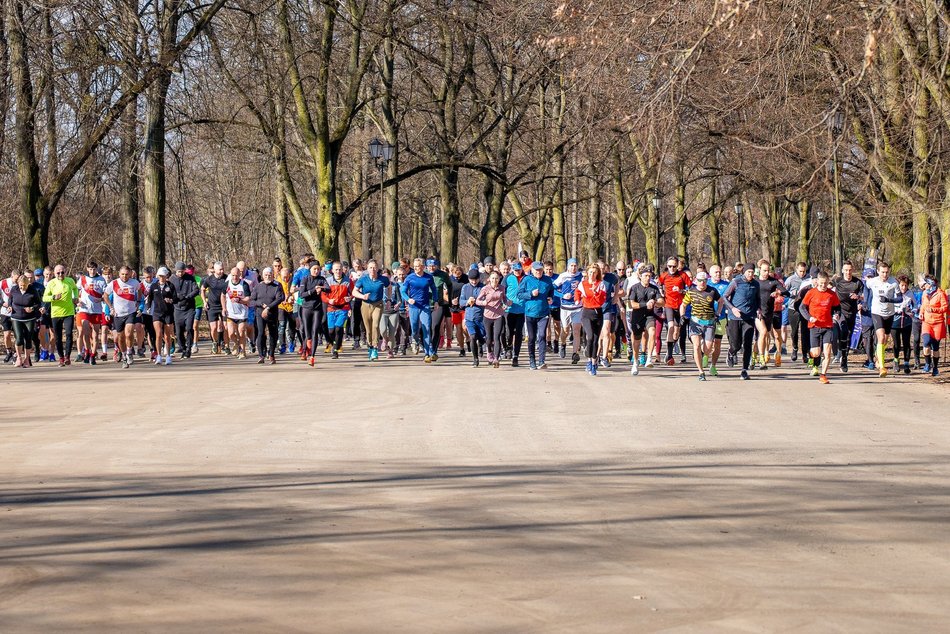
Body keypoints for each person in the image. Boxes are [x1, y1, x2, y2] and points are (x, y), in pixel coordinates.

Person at [800, 271, 841, 384]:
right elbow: (802, 308)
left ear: (828, 282)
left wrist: (837, 314)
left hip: (828, 326)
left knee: (827, 353)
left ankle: (823, 375)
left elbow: (837, 307)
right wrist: (809, 317)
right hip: (814, 326)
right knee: (816, 353)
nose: (823, 286)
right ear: (817, 282)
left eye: (825, 283)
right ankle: (812, 357)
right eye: (821, 283)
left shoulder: (832, 294)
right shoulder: (811, 293)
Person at [722, 264, 762, 380]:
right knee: (736, 344)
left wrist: (759, 309)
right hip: (735, 317)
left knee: (747, 344)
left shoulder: (756, 284)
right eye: (748, 272)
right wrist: (733, 309)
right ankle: (731, 352)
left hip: (749, 317)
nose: (750, 274)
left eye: (752, 272)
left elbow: (758, 299)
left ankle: (744, 370)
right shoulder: (736, 282)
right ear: (744, 272)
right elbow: (725, 297)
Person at [681, 271, 721, 381]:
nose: (702, 283)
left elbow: (721, 301)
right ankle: (701, 372)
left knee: (707, 349)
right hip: (695, 322)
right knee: (696, 346)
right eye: (699, 281)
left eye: (704, 281)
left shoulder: (712, 291)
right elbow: (683, 304)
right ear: (696, 281)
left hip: (709, 323)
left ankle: (705, 356)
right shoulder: (691, 291)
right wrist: (682, 315)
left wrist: (718, 313)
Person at [103, 266, 145, 369]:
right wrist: (111, 308)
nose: (124, 276)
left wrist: (138, 302)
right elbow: (105, 296)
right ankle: (124, 355)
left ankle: (130, 351)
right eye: (122, 274)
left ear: (130, 274)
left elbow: (140, 291)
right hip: (118, 314)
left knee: (129, 332)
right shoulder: (114, 283)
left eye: (126, 274)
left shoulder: (134, 283)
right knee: (120, 338)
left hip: (130, 312)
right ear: (119, 274)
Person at [623, 265, 663, 375]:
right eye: (645, 276)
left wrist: (654, 303)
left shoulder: (653, 288)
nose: (648, 278)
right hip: (636, 316)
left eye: (649, 276)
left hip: (649, 316)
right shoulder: (635, 288)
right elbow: (631, 304)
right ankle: (635, 363)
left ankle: (649, 358)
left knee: (652, 332)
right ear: (640, 276)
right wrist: (646, 304)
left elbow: (662, 302)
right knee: (636, 341)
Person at [865, 261, 901, 377]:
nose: (885, 275)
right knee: (880, 338)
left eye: (886, 272)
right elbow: (866, 287)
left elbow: (900, 299)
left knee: (885, 340)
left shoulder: (893, 282)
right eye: (882, 272)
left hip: (889, 313)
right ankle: (882, 367)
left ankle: (877, 355)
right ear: (878, 271)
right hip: (877, 312)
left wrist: (888, 300)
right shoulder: (872, 281)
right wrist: (866, 301)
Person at [517, 261, 555, 370]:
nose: (539, 272)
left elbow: (551, 291)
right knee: (532, 337)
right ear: (532, 270)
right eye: (536, 270)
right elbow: (519, 294)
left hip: (544, 313)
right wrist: (530, 294)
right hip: (530, 313)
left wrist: (550, 298)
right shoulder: (526, 280)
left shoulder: (547, 280)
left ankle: (541, 361)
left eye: (540, 270)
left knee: (542, 335)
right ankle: (532, 360)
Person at [352, 259, 391, 361]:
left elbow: (389, 286)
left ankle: (374, 348)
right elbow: (354, 292)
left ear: (377, 268)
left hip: (378, 304)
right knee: (368, 329)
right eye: (370, 267)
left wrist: (388, 299)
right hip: (365, 305)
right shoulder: (363, 279)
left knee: (376, 325)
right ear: (367, 269)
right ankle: (369, 345)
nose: (372, 270)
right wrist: (362, 296)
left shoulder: (383, 279)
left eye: (374, 267)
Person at [753, 260, 789, 370]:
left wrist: (778, 293)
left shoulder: (773, 282)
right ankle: (762, 358)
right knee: (763, 333)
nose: (766, 272)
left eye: (768, 270)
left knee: (764, 335)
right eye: (764, 270)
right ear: (759, 270)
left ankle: (755, 355)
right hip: (757, 312)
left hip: (769, 312)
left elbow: (786, 292)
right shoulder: (755, 282)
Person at [402, 258, 438, 362]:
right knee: (414, 329)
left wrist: (436, 301)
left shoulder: (428, 277)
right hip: (413, 306)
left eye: (419, 266)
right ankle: (415, 341)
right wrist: (409, 299)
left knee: (426, 328)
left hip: (425, 306)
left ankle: (427, 353)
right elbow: (403, 292)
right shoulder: (410, 278)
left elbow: (434, 289)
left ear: (423, 267)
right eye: (415, 266)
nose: (417, 268)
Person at [42, 265, 79, 366]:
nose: (60, 275)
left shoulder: (70, 281)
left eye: (62, 272)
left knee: (68, 334)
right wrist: (54, 297)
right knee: (58, 337)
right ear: (54, 274)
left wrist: (75, 297)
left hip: (69, 312)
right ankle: (61, 358)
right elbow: (45, 298)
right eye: (58, 273)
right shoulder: (51, 283)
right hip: (56, 313)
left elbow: (75, 289)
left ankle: (67, 356)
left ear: (65, 272)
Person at [832, 260, 864, 373]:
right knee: (844, 332)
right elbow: (827, 286)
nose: (848, 272)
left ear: (853, 270)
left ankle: (843, 353)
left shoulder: (858, 283)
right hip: (840, 311)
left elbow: (863, 295)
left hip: (853, 312)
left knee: (849, 335)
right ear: (842, 270)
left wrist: (859, 297)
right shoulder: (837, 281)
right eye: (846, 270)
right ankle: (843, 360)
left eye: (850, 270)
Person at [575, 264, 607, 376]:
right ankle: (588, 360)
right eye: (590, 272)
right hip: (586, 313)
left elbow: (602, 300)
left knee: (596, 339)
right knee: (590, 337)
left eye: (594, 272)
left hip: (597, 313)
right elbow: (577, 292)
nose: (592, 274)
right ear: (587, 273)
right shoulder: (583, 284)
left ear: (597, 273)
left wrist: (596, 292)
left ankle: (594, 362)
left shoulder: (600, 284)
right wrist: (577, 299)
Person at [659, 256, 691, 365]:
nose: (672, 268)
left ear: (677, 266)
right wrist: (661, 294)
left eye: (674, 266)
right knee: (671, 327)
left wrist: (681, 290)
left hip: (680, 306)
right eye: (669, 266)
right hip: (669, 305)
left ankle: (670, 348)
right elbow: (658, 285)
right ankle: (669, 355)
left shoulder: (683, 275)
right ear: (667, 266)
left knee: (677, 332)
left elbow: (691, 289)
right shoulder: (664, 275)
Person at [250, 267, 285, 364]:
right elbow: (252, 300)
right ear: (263, 275)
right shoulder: (258, 286)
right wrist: (261, 304)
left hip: (272, 313)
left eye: (270, 274)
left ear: (273, 275)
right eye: (266, 275)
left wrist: (268, 307)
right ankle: (261, 355)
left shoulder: (277, 285)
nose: (268, 276)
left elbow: (280, 298)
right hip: (259, 313)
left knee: (273, 334)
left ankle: (271, 354)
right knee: (261, 333)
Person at [297, 263, 329, 367]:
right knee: (307, 334)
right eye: (314, 269)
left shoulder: (322, 279)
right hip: (306, 309)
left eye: (318, 269)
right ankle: (306, 348)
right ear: (310, 269)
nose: (316, 271)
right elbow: (302, 294)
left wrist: (322, 288)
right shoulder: (305, 279)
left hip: (317, 309)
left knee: (315, 331)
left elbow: (329, 289)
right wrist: (313, 291)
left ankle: (312, 357)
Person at [554, 258, 584, 364]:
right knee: (565, 331)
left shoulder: (582, 276)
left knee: (576, 331)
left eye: (575, 265)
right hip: (565, 307)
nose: (573, 268)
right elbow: (552, 289)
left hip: (578, 307)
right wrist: (562, 295)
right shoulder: (562, 276)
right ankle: (562, 344)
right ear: (568, 266)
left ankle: (575, 354)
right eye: (571, 266)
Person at [76, 261, 107, 364]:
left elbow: (106, 294)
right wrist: (77, 300)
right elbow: (75, 290)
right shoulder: (83, 279)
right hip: (84, 309)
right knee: (85, 331)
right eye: (90, 269)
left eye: (94, 269)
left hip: (96, 310)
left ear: (96, 269)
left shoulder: (101, 280)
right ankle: (87, 351)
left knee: (95, 333)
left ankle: (93, 355)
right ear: (87, 269)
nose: (92, 271)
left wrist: (102, 299)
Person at [476, 270, 507, 368]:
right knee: (489, 339)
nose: (495, 280)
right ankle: (489, 352)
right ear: (489, 279)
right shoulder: (485, 289)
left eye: (497, 278)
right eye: (493, 278)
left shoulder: (502, 288)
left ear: (499, 279)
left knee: (497, 337)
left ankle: (496, 359)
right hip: (488, 315)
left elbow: (504, 299)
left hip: (498, 315)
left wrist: (506, 303)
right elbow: (477, 300)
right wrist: (483, 303)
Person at [8, 275, 41, 368]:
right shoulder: (14, 289)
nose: (22, 287)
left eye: (24, 286)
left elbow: (38, 303)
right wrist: (10, 306)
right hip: (16, 317)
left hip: (29, 318)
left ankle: (27, 359)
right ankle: (19, 358)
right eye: (21, 285)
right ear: (18, 283)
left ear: (28, 284)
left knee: (28, 339)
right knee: (19, 338)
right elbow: (10, 300)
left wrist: (32, 308)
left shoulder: (33, 290)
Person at [147, 267, 178, 365]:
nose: (161, 278)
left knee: (167, 335)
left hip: (168, 313)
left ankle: (168, 355)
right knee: (159, 334)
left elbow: (176, 298)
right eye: (160, 276)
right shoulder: (154, 286)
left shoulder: (170, 286)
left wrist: (171, 300)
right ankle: (159, 356)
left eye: (163, 276)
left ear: (166, 276)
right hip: (157, 313)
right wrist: (148, 307)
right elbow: (150, 298)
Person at [169, 261, 199, 359]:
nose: (180, 273)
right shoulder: (172, 279)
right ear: (175, 271)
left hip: (189, 308)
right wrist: (175, 297)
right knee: (178, 331)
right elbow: (168, 292)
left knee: (190, 328)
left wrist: (187, 297)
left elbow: (196, 290)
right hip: (177, 308)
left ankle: (189, 348)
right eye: (178, 271)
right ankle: (183, 347)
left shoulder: (190, 278)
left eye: (182, 271)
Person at [323, 261, 353, 359]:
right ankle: (334, 343)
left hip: (343, 308)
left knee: (338, 328)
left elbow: (354, 292)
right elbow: (323, 295)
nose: (338, 271)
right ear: (332, 270)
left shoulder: (348, 281)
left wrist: (350, 298)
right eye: (336, 269)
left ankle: (335, 350)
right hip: (331, 308)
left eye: (340, 269)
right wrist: (328, 300)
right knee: (331, 331)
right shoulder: (327, 281)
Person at [919, 276, 947, 376]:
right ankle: (927, 364)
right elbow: (923, 304)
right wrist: (921, 312)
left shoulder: (940, 293)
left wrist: (934, 310)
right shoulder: (924, 293)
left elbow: (945, 307)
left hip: (938, 323)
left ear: (931, 284)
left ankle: (935, 368)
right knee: (926, 343)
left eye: (925, 283)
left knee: (935, 347)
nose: (924, 285)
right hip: (926, 322)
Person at [222, 267, 251, 359]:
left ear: (240, 275)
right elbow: (222, 296)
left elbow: (248, 299)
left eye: (236, 275)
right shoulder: (227, 284)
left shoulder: (244, 284)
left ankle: (243, 351)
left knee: (241, 332)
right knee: (230, 334)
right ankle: (237, 343)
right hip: (231, 313)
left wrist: (240, 300)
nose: (235, 277)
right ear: (231, 275)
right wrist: (223, 308)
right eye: (233, 275)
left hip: (242, 313)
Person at [201, 262, 230, 355]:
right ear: (215, 270)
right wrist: (204, 302)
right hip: (212, 306)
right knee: (213, 328)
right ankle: (215, 342)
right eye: (220, 269)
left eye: (222, 269)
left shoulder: (227, 278)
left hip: (224, 306)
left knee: (225, 327)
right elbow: (202, 290)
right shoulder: (209, 279)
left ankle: (226, 345)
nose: (222, 271)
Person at [459, 268, 486, 367]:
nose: (474, 282)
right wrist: (467, 301)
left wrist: (478, 302)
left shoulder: (483, 287)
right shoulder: (465, 287)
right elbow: (460, 302)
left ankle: (481, 343)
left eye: (476, 279)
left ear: (479, 278)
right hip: (469, 317)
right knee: (473, 337)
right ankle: (475, 359)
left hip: (481, 317)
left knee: (482, 337)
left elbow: (487, 301)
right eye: (471, 280)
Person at [427, 258, 452, 358]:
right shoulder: (424, 274)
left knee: (435, 326)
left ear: (437, 266)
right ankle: (426, 347)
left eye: (434, 266)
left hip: (439, 304)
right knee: (425, 328)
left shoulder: (443, 275)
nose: (432, 268)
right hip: (425, 304)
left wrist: (449, 299)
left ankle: (433, 349)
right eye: (429, 266)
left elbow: (450, 286)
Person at [503, 261, 527, 366]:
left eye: (519, 270)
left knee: (518, 334)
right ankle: (508, 347)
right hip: (509, 309)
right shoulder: (507, 278)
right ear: (512, 270)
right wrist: (504, 301)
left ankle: (516, 356)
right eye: (515, 270)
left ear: (522, 269)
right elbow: (501, 291)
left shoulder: (526, 278)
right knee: (508, 332)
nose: (517, 272)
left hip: (521, 309)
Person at [892, 275, 917, 375]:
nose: (903, 288)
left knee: (906, 343)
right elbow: (889, 305)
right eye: (902, 285)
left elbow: (915, 305)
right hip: (895, 322)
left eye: (905, 285)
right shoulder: (894, 293)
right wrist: (897, 310)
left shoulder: (910, 293)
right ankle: (896, 361)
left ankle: (906, 364)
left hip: (906, 322)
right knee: (897, 343)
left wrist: (912, 311)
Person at [277, 267, 297, 355]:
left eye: (287, 277)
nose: (285, 279)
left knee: (292, 326)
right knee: (282, 325)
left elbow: (297, 292)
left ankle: (292, 343)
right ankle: (282, 345)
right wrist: (283, 298)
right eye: (283, 277)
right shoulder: (277, 282)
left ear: (290, 274)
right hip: (281, 306)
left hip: (293, 306)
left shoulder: (294, 280)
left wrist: (292, 297)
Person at [0, 269, 18, 363]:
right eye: (15, 279)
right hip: (5, 312)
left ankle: (16, 354)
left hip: (16, 313)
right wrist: (2, 303)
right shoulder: (3, 283)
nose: (16, 281)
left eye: (18, 279)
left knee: (17, 335)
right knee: (6, 335)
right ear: (12, 276)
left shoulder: (20, 284)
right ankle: (9, 352)